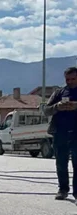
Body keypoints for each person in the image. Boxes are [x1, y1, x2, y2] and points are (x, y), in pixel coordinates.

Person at [42, 67, 77, 201]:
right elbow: (45, 110)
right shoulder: (59, 93)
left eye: (73, 79)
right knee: (61, 163)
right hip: (60, 132)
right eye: (67, 79)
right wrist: (57, 107)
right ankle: (63, 189)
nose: (70, 82)